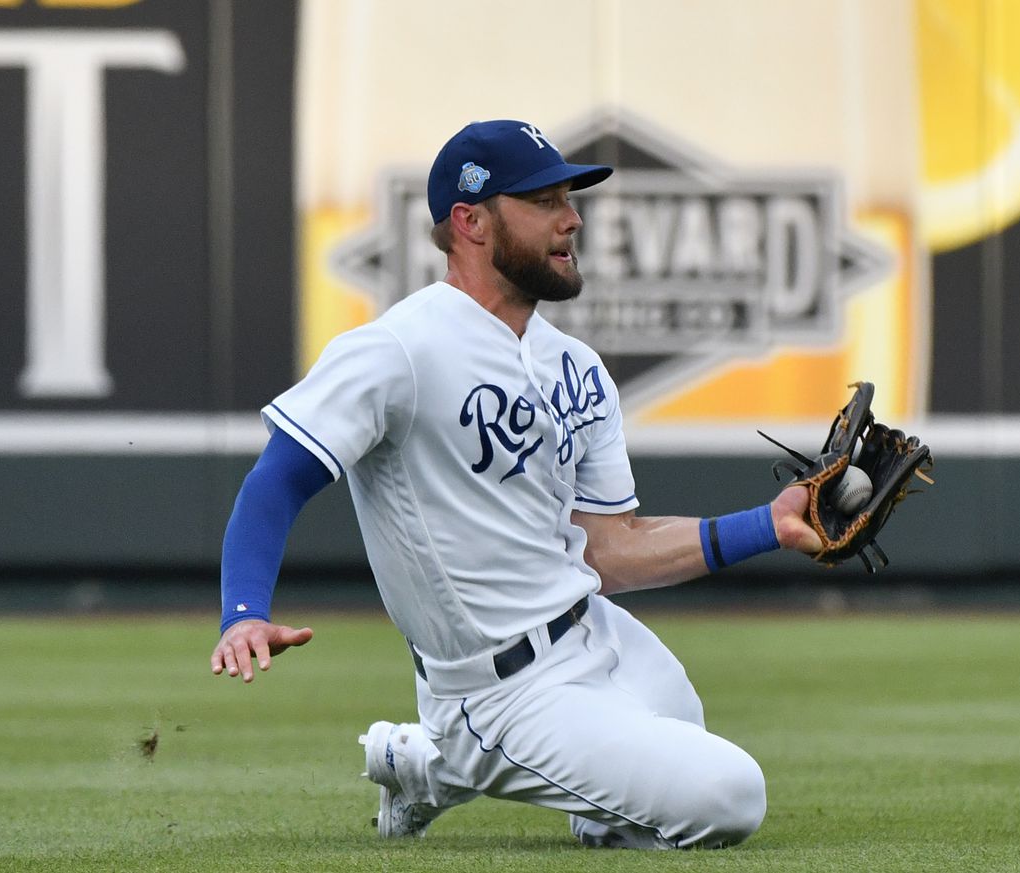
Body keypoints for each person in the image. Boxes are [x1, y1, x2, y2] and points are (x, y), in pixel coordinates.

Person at [209, 119, 823, 850]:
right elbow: (276, 479)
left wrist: (770, 524)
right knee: (729, 794)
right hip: (494, 686)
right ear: (470, 222)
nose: (572, 218)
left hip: (593, 633)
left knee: (675, 737)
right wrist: (243, 610)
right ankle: (447, 752)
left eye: (569, 196)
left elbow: (612, 548)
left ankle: (425, 768)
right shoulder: (397, 350)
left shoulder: (577, 366)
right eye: (542, 200)